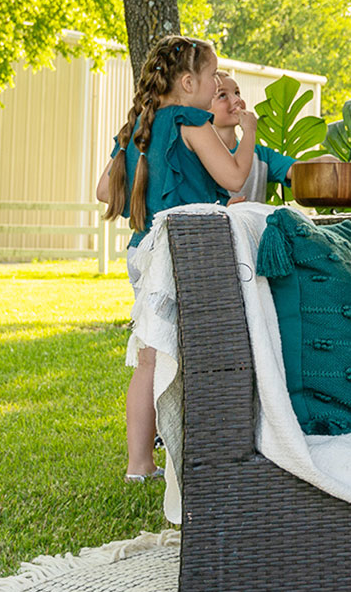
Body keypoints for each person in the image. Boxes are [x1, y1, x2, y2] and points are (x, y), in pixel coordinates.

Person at [96, 36, 257, 482]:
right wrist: (251, 134)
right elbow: (234, 176)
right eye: (212, 78)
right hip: (184, 254)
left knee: (150, 359)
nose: (214, 88)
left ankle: (139, 464)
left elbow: (105, 192)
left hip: (142, 252)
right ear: (188, 82)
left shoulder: (137, 127)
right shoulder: (191, 120)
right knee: (201, 355)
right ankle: (202, 454)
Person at [210, 72, 295, 203]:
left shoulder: (261, 156)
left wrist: (324, 162)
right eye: (222, 95)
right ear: (203, 107)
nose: (236, 100)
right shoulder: (200, 157)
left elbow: (298, 170)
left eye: (237, 93)